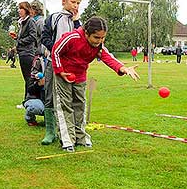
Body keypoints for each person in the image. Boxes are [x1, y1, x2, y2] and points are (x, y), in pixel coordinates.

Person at [52, 16, 139, 152]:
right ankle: (68, 139)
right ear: (86, 33)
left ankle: (80, 136)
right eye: (96, 38)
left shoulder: (98, 46)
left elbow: (108, 57)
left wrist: (123, 68)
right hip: (64, 74)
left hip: (80, 76)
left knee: (80, 105)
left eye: (102, 38)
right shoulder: (72, 37)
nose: (100, 41)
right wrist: (60, 71)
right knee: (65, 106)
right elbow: (56, 51)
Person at [40, 0, 82, 145]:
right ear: (64, 1)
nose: (75, 6)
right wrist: (56, 50)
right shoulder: (54, 17)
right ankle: (50, 131)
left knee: (70, 98)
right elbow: (44, 37)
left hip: (72, 65)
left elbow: (81, 38)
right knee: (50, 95)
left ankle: (70, 131)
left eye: (78, 3)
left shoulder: (78, 21)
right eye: (73, 2)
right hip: (53, 63)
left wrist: (77, 20)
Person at [9, 2, 37, 104]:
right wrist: (17, 37)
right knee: (27, 78)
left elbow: (33, 36)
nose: (19, 10)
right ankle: (27, 100)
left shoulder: (30, 21)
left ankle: (28, 101)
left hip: (28, 53)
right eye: (18, 8)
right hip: (23, 53)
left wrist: (19, 42)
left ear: (26, 10)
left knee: (29, 78)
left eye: (21, 8)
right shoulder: (22, 22)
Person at [22, 54, 45, 126]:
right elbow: (30, 90)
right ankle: (30, 118)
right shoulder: (37, 65)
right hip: (38, 99)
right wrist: (39, 85)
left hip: (52, 100)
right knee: (34, 107)